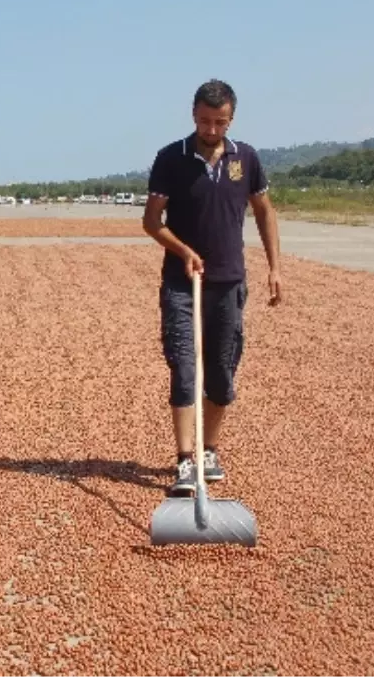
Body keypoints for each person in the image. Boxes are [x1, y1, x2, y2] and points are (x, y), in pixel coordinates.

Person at [142, 79, 282, 496]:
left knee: (221, 372)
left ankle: (209, 451)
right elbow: (152, 223)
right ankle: (185, 460)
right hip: (182, 284)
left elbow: (264, 212)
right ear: (193, 115)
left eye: (220, 122)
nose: (212, 130)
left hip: (228, 282)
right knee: (185, 368)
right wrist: (183, 250)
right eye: (205, 121)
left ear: (231, 118)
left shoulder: (247, 158)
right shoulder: (171, 158)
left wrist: (275, 268)